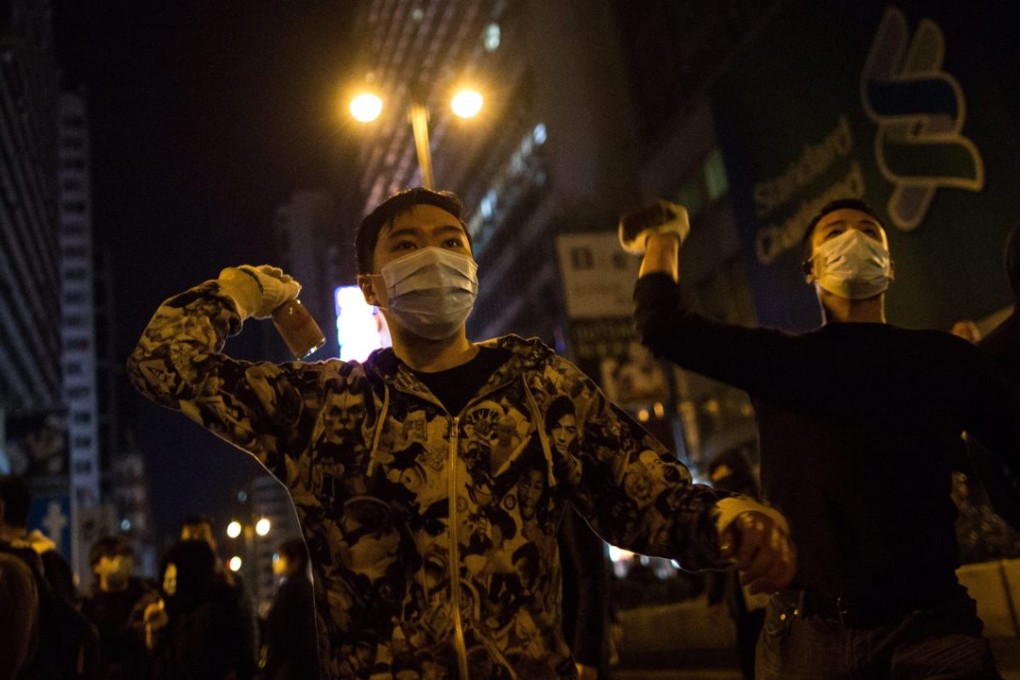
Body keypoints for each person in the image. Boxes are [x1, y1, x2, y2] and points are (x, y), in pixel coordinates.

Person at [127, 187, 795, 679]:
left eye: (452, 242)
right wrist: (242, 292)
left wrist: (729, 521)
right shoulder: (325, 405)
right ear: (370, 288)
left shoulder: (536, 383)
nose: (435, 257)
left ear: (473, 270)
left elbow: (642, 493)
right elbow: (162, 364)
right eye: (406, 245)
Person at [622, 197, 1020, 678]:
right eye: (834, 232)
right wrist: (663, 239)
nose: (853, 239)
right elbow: (663, 326)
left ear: (889, 266)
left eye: (869, 232)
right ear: (811, 269)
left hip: (931, 627)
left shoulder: (944, 359)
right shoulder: (783, 361)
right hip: (808, 637)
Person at [151, 539, 255, 680]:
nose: (168, 584)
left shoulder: (210, 615)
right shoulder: (181, 614)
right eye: (166, 578)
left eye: (174, 578)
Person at [179, 513, 259, 671]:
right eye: (190, 537)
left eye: (201, 536)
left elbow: (247, 624)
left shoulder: (231, 580)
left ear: (213, 542)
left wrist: (248, 667)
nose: (196, 542)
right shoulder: (175, 582)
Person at [80, 535, 166, 679]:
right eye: (112, 556)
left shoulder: (147, 597)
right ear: (96, 567)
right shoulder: (87, 605)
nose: (120, 561)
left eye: (125, 555)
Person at [259, 538, 320, 680]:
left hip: (290, 664)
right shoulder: (306, 587)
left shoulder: (292, 589)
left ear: (295, 560)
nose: (276, 562)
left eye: (280, 557)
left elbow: (284, 628)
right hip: (301, 663)